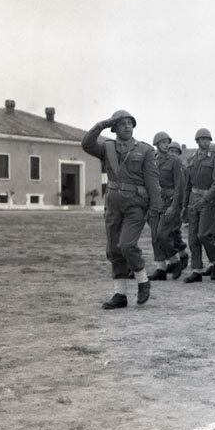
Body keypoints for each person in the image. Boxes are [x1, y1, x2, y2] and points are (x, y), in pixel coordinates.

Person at [81, 110, 162, 309]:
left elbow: (152, 180)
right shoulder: (107, 147)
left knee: (127, 244)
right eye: (122, 123)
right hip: (113, 204)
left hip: (135, 204)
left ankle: (143, 281)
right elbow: (87, 144)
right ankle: (120, 294)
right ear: (114, 127)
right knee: (114, 249)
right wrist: (102, 124)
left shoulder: (144, 150)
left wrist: (155, 207)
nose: (127, 127)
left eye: (130, 123)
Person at [182, 129, 215, 283]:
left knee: (203, 235)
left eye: (208, 139)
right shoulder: (191, 158)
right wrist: (184, 205)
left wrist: (206, 199)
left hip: (208, 200)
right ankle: (196, 270)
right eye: (202, 139)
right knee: (193, 237)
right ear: (197, 141)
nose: (205, 142)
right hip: (193, 199)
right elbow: (187, 184)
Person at [148, 131, 185, 281]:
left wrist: (174, 206)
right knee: (155, 237)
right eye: (163, 142)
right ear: (156, 144)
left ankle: (175, 261)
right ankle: (161, 268)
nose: (166, 145)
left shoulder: (175, 161)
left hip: (169, 203)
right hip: (154, 202)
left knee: (162, 235)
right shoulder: (152, 160)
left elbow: (179, 185)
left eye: (168, 142)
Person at [168, 141, 190, 270]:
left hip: (178, 203)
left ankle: (182, 255)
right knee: (165, 234)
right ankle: (172, 260)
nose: (173, 154)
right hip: (166, 202)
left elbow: (185, 187)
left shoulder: (183, 168)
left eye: (176, 152)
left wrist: (183, 205)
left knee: (174, 231)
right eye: (171, 151)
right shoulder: (163, 165)